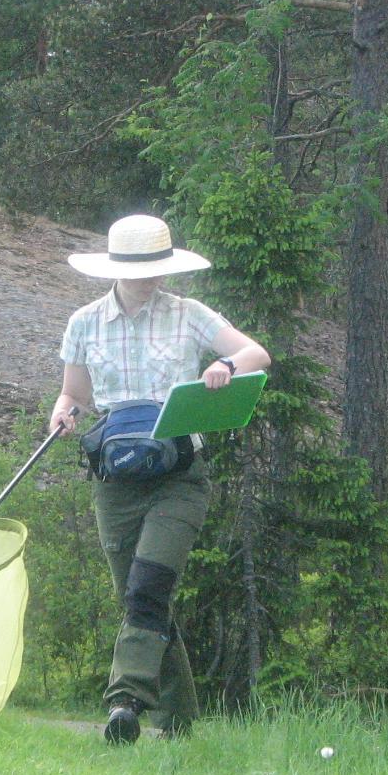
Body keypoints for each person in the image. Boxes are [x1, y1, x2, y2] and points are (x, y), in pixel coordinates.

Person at [50, 214, 270, 744]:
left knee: (149, 586)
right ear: (116, 269)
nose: (151, 277)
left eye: (158, 267)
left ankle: (125, 702)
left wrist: (226, 367)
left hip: (180, 476)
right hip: (115, 480)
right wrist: (62, 415)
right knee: (141, 599)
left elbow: (255, 353)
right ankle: (180, 721)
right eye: (141, 268)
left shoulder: (189, 315)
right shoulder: (84, 323)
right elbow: (74, 394)